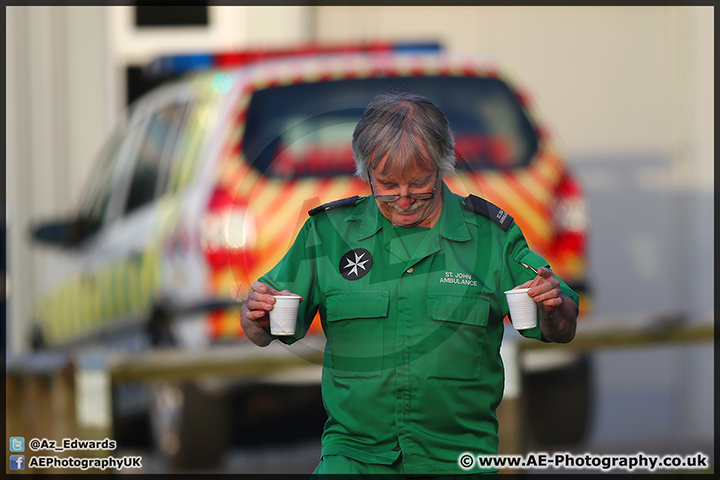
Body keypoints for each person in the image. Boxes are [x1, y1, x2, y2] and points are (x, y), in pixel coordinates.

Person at [241, 92, 578, 476]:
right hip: (352, 460)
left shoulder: (492, 238)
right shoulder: (327, 234)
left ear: (442, 165)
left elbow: (562, 326)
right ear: (364, 171)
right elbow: (261, 326)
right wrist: (257, 314)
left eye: (419, 183)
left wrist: (553, 305)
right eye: (386, 184)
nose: (402, 198)